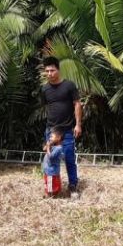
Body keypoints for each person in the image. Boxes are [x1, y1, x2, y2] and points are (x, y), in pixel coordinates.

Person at [41, 56, 82, 197]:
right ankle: (52, 189)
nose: (49, 73)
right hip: (51, 130)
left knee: (69, 159)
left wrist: (78, 124)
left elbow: (77, 104)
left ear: (58, 70)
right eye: (47, 71)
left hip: (67, 131)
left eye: (52, 70)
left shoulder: (69, 86)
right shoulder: (45, 89)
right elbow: (47, 106)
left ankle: (73, 186)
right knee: (51, 160)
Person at [43, 127, 64, 198]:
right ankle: (51, 194)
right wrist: (48, 146)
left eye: (52, 136)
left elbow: (51, 157)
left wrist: (48, 148)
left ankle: (51, 196)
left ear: (58, 138)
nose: (50, 138)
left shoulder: (58, 148)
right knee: (49, 183)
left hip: (51, 171)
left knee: (51, 184)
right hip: (48, 170)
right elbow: (44, 149)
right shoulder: (54, 146)